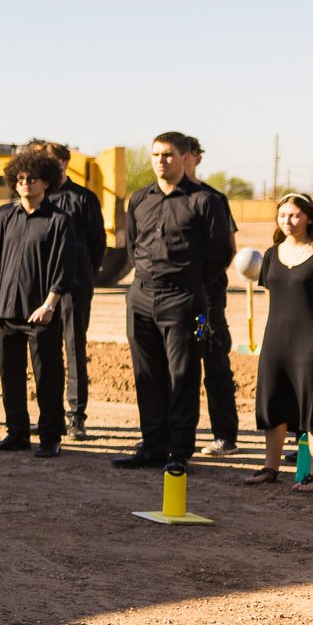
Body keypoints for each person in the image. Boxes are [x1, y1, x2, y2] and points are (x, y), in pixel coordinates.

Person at [117, 132, 235, 469]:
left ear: (184, 158)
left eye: (167, 155)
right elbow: (132, 246)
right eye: (155, 154)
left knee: (183, 374)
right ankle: (152, 446)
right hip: (140, 297)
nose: (160, 161)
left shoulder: (205, 201)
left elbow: (221, 253)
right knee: (147, 374)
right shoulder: (140, 199)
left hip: (186, 302)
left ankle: (180, 451)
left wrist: (191, 284)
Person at [0, 148, 79, 456]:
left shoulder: (60, 221)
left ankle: (50, 438)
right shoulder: (5, 218)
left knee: (47, 377)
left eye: (31, 178)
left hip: (40, 314)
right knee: (10, 376)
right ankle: (16, 433)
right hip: (5, 311)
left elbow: (64, 265)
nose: (25, 183)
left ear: (45, 182)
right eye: (20, 178)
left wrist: (49, 304)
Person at [246, 193, 313, 492]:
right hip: (276, 339)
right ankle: (270, 468)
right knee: (272, 401)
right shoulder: (271, 254)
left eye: (294, 216)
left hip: (312, 341)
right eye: (282, 216)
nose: (287, 221)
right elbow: (270, 295)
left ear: (309, 218)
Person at [33, 141, 107, 439]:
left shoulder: (84, 199)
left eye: (51, 161)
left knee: (74, 348)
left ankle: (76, 415)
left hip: (75, 288)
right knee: (45, 352)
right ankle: (50, 415)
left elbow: (97, 245)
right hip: (41, 289)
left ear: (64, 164)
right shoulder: (37, 198)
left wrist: (82, 274)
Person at [180, 139, 243, 454]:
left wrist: (201, 283)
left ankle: (225, 435)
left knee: (214, 361)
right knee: (174, 367)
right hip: (172, 300)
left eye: (189, 155)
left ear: (195, 159)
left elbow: (228, 249)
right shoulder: (160, 198)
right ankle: (172, 435)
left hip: (206, 300)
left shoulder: (213, 199)